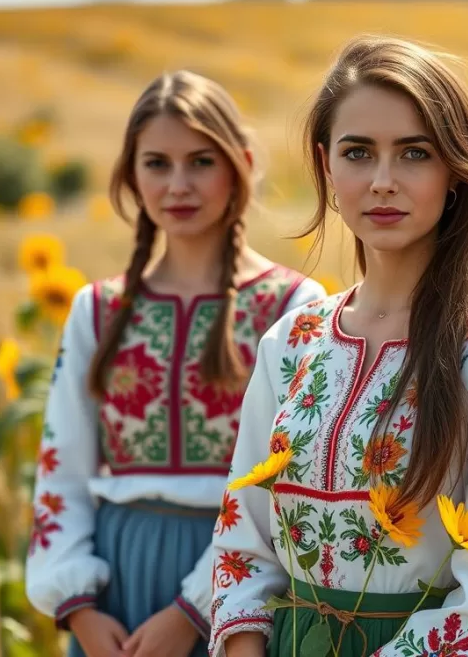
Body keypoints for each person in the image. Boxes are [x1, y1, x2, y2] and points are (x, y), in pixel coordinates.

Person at [209, 35, 468, 657]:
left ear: (455, 170)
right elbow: (241, 541)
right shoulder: (293, 341)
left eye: (413, 154)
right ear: (327, 166)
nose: (382, 181)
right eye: (359, 153)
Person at [25, 70, 326, 657]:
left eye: (201, 162)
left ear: (239, 164)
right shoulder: (97, 310)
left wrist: (195, 610)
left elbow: (286, 484)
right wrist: (80, 609)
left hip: (240, 589)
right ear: (130, 174)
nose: (178, 184)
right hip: (113, 585)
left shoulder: (293, 307)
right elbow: (60, 473)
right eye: (157, 163)